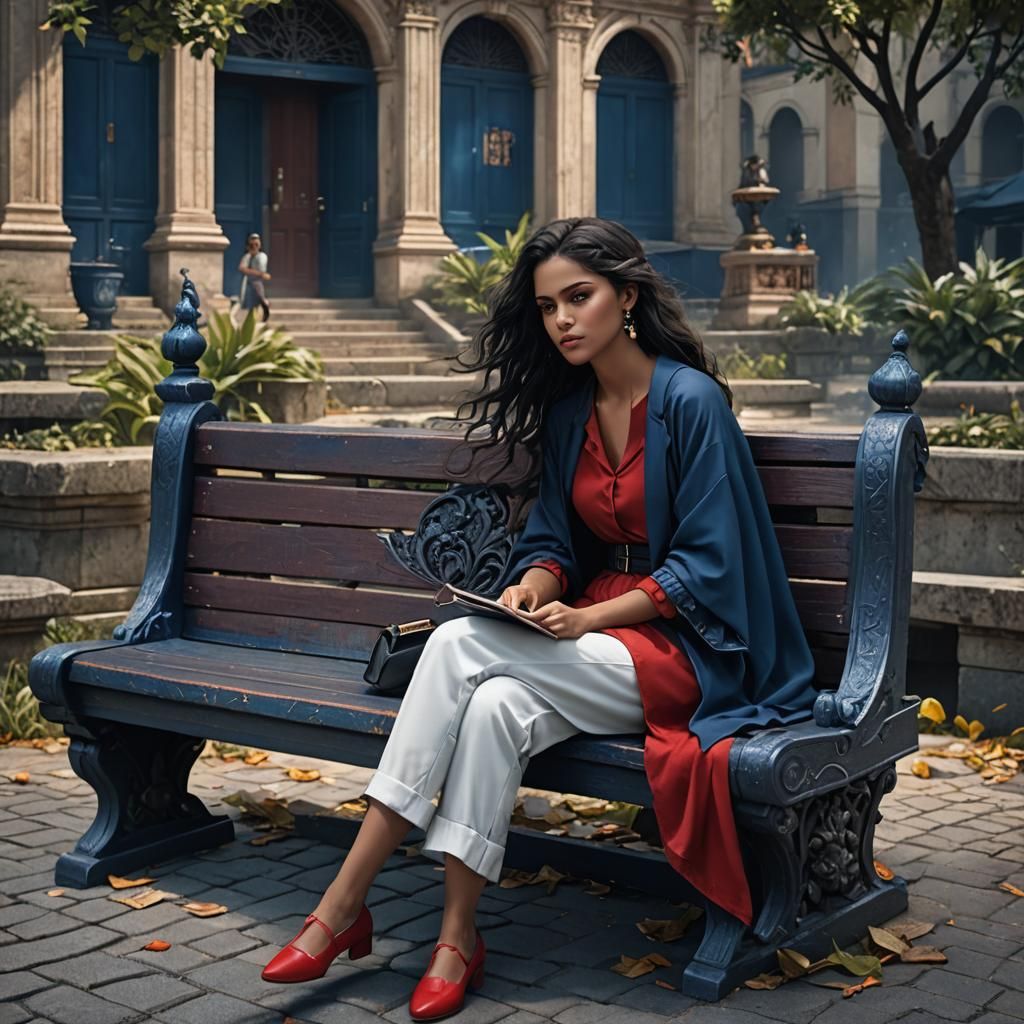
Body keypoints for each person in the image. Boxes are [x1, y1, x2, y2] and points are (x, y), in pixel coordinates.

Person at [260, 217, 818, 1020]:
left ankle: (342, 904)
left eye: (579, 298)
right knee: (491, 705)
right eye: (549, 304)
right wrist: (530, 584)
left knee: (454, 645)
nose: (561, 319)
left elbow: (710, 566)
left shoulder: (690, 403)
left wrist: (591, 622)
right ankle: (457, 938)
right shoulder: (570, 417)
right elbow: (556, 536)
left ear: (626, 297)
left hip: (690, 651)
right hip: (591, 637)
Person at [237, 232, 271, 322]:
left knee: (261, 301)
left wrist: (259, 274)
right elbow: (242, 268)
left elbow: (262, 271)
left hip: (258, 283)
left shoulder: (262, 256)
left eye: (256, 244)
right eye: (252, 245)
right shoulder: (247, 256)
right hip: (248, 283)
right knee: (249, 305)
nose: (254, 246)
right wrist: (258, 274)